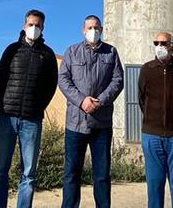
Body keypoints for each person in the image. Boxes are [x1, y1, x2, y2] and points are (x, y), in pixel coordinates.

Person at [0, 9, 59, 208]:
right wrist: (5, 103)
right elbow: (0, 79)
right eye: (31, 24)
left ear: (43, 27)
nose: (34, 28)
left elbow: (51, 85)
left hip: (32, 120)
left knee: (28, 173)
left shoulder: (47, 55)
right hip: (7, 117)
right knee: (0, 171)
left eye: (38, 25)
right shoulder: (12, 50)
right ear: (24, 26)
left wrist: (38, 107)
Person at [57, 14, 123, 208]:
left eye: (97, 28)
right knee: (71, 174)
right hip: (75, 123)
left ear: (101, 30)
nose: (93, 31)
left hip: (101, 124)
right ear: (83, 30)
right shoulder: (72, 52)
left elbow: (118, 80)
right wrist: (81, 101)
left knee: (102, 175)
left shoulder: (111, 52)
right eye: (90, 28)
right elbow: (64, 80)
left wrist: (100, 101)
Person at [138, 31, 173, 208]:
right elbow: (141, 99)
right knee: (154, 183)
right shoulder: (147, 69)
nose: (159, 46)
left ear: (172, 46)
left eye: (163, 43)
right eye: (156, 43)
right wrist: (151, 118)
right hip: (151, 135)